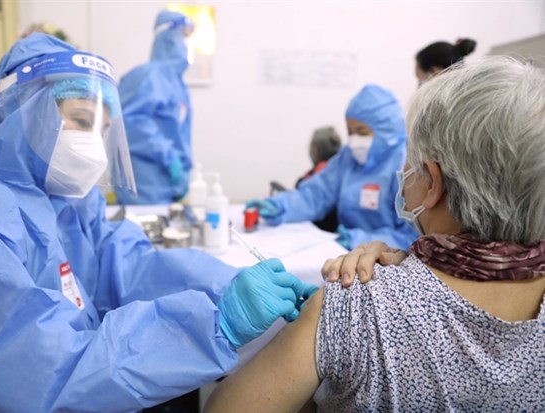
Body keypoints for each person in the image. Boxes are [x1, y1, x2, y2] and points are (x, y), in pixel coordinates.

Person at [0, 33, 318, 412]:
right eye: (81, 120)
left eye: (104, 130)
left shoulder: (70, 204)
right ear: (23, 115)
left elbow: (131, 268)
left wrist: (227, 285)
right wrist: (216, 326)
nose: (94, 144)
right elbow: (39, 370)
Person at [205, 56, 545, 412]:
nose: (403, 174)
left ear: (433, 182)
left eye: (410, 167)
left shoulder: (353, 302)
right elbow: (315, 193)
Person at [247, 85, 418, 250]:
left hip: (387, 261)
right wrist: (280, 205)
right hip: (344, 252)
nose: (354, 140)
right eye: (350, 132)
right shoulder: (348, 157)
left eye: (362, 132)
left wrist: (360, 240)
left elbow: (413, 237)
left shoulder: (407, 165)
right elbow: (315, 195)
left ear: (386, 130)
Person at [115, 10, 195, 205]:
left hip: (167, 184)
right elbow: (131, 123)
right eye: (182, 36)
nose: (186, 44)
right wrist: (169, 157)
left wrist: (182, 170)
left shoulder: (177, 83)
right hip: (145, 183)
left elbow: (177, 133)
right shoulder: (149, 75)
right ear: (167, 37)